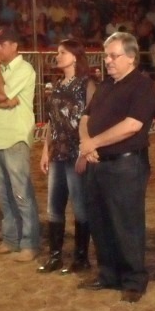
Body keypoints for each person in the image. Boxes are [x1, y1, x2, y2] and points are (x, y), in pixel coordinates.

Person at [77, 31, 155, 303]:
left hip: (126, 164)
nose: (108, 61)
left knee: (127, 223)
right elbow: (85, 117)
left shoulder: (142, 86)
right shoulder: (105, 85)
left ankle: (134, 279)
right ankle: (108, 274)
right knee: (100, 221)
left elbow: (132, 125)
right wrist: (86, 143)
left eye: (114, 56)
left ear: (131, 57)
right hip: (98, 163)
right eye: (106, 56)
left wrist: (93, 142)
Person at [0, 26, 40, 262]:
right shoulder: (5, 69)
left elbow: (0, 94)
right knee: (3, 193)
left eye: (2, 44)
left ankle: (29, 243)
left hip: (15, 136)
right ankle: (12, 239)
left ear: (15, 46)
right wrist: (3, 103)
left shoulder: (24, 69)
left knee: (20, 192)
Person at [38, 39, 96, 274]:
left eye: (63, 52)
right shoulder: (57, 85)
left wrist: (85, 150)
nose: (58, 56)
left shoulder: (86, 84)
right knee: (54, 206)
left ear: (75, 57)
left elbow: (91, 119)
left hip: (75, 152)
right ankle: (55, 256)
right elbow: (52, 122)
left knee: (80, 206)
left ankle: (81, 257)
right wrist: (46, 150)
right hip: (58, 153)